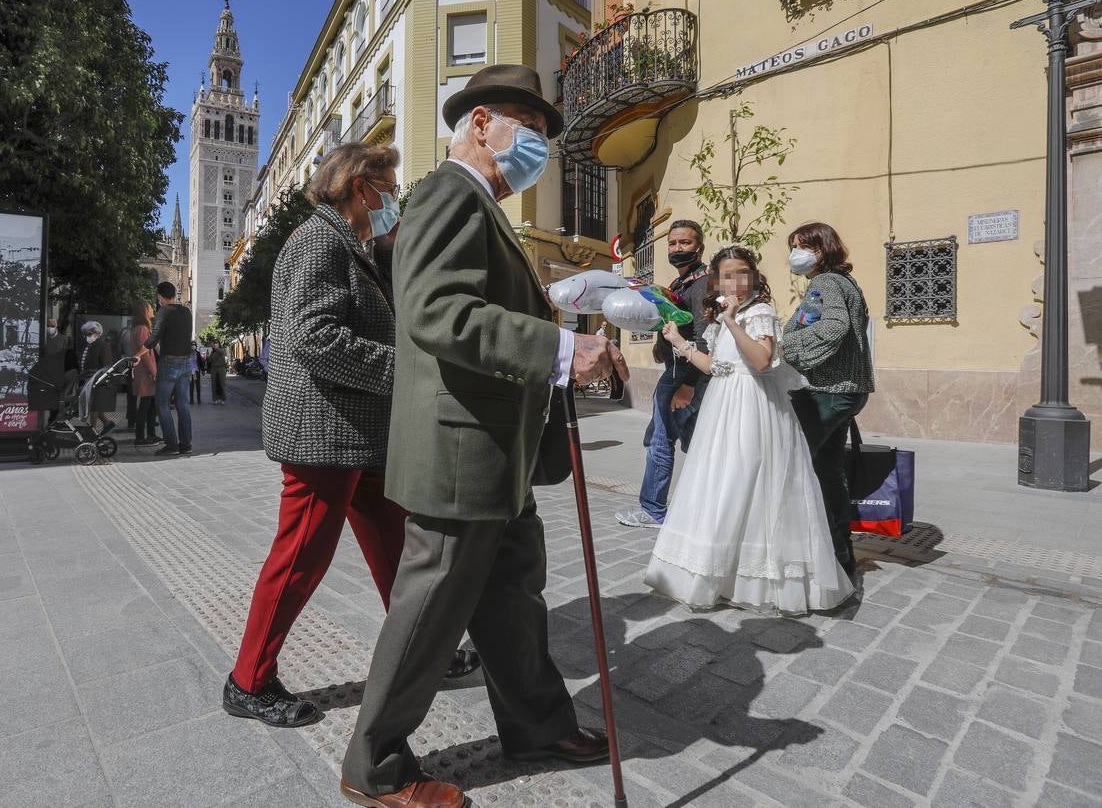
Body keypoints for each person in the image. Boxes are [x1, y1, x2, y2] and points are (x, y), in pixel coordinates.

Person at [340, 65, 628, 808]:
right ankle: (372, 765)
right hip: (460, 450)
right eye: (528, 130)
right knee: (432, 605)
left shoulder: (484, 209)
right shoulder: (446, 193)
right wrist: (561, 351)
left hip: (498, 451)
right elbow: (437, 313)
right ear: (480, 124)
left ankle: (537, 724)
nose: (537, 146)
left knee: (512, 594)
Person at [224, 142, 480, 730]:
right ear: (359, 186)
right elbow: (315, 339)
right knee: (300, 558)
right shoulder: (319, 241)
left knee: (397, 549)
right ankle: (248, 680)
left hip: (357, 433)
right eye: (388, 188)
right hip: (322, 433)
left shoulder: (348, 244)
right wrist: (407, 369)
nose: (393, 199)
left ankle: (423, 656)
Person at [645, 246, 854, 615]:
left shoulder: (758, 312)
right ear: (716, 280)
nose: (737, 282)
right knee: (723, 485)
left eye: (743, 273)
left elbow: (760, 361)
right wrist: (679, 342)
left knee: (751, 483)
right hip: (723, 409)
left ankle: (758, 579)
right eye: (728, 275)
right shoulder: (726, 315)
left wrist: (731, 322)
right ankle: (719, 571)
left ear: (754, 276)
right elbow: (716, 367)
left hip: (755, 409)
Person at [779, 222, 876, 581]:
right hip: (848, 391)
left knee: (795, 465)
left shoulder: (825, 283)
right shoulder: (847, 282)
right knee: (829, 471)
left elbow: (834, 326)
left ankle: (806, 552)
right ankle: (840, 554)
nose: (796, 253)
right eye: (793, 246)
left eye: (803, 245)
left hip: (830, 391)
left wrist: (789, 348)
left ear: (823, 249)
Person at [618, 219, 712, 528]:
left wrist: (688, 385)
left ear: (699, 247)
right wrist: (660, 345)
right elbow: (669, 319)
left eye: (684, 243)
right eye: (672, 243)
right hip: (676, 369)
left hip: (684, 375)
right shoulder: (678, 285)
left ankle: (653, 510)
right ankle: (707, 506)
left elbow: (704, 339)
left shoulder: (702, 285)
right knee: (696, 443)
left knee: (659, 439)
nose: (677, 249)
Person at [139, 281, 193, 456]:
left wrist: (138, 354)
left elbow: (153, 339)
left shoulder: (164, 311)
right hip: (185, 363)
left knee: (161, 403)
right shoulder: (187, 312)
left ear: (160, 297)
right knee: (182, 404)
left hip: (169, 362)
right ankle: (185, 444)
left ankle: (171, 445)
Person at [129, 300, 160, 446]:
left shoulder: (138, 328)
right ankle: (141, 437)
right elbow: (146, 353)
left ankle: (150, 435)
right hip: (146, 372)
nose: (152, 309)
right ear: (144, 311)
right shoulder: (142, 329)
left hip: (144, 371)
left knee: (149, 404)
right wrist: (154, 372)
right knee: (146, 405)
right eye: (149, 307)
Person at [78, 321, 116, 435]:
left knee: (94, 406)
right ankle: (107, 422)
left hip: (97, 380)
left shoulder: (103, 345)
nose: (87, 337)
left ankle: (92, 430)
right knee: (94, 406)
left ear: (97, 333)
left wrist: (101, 379)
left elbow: (106, 365)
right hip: (89, 379)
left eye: (89, 334)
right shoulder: (91, 345)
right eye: (85, 334)